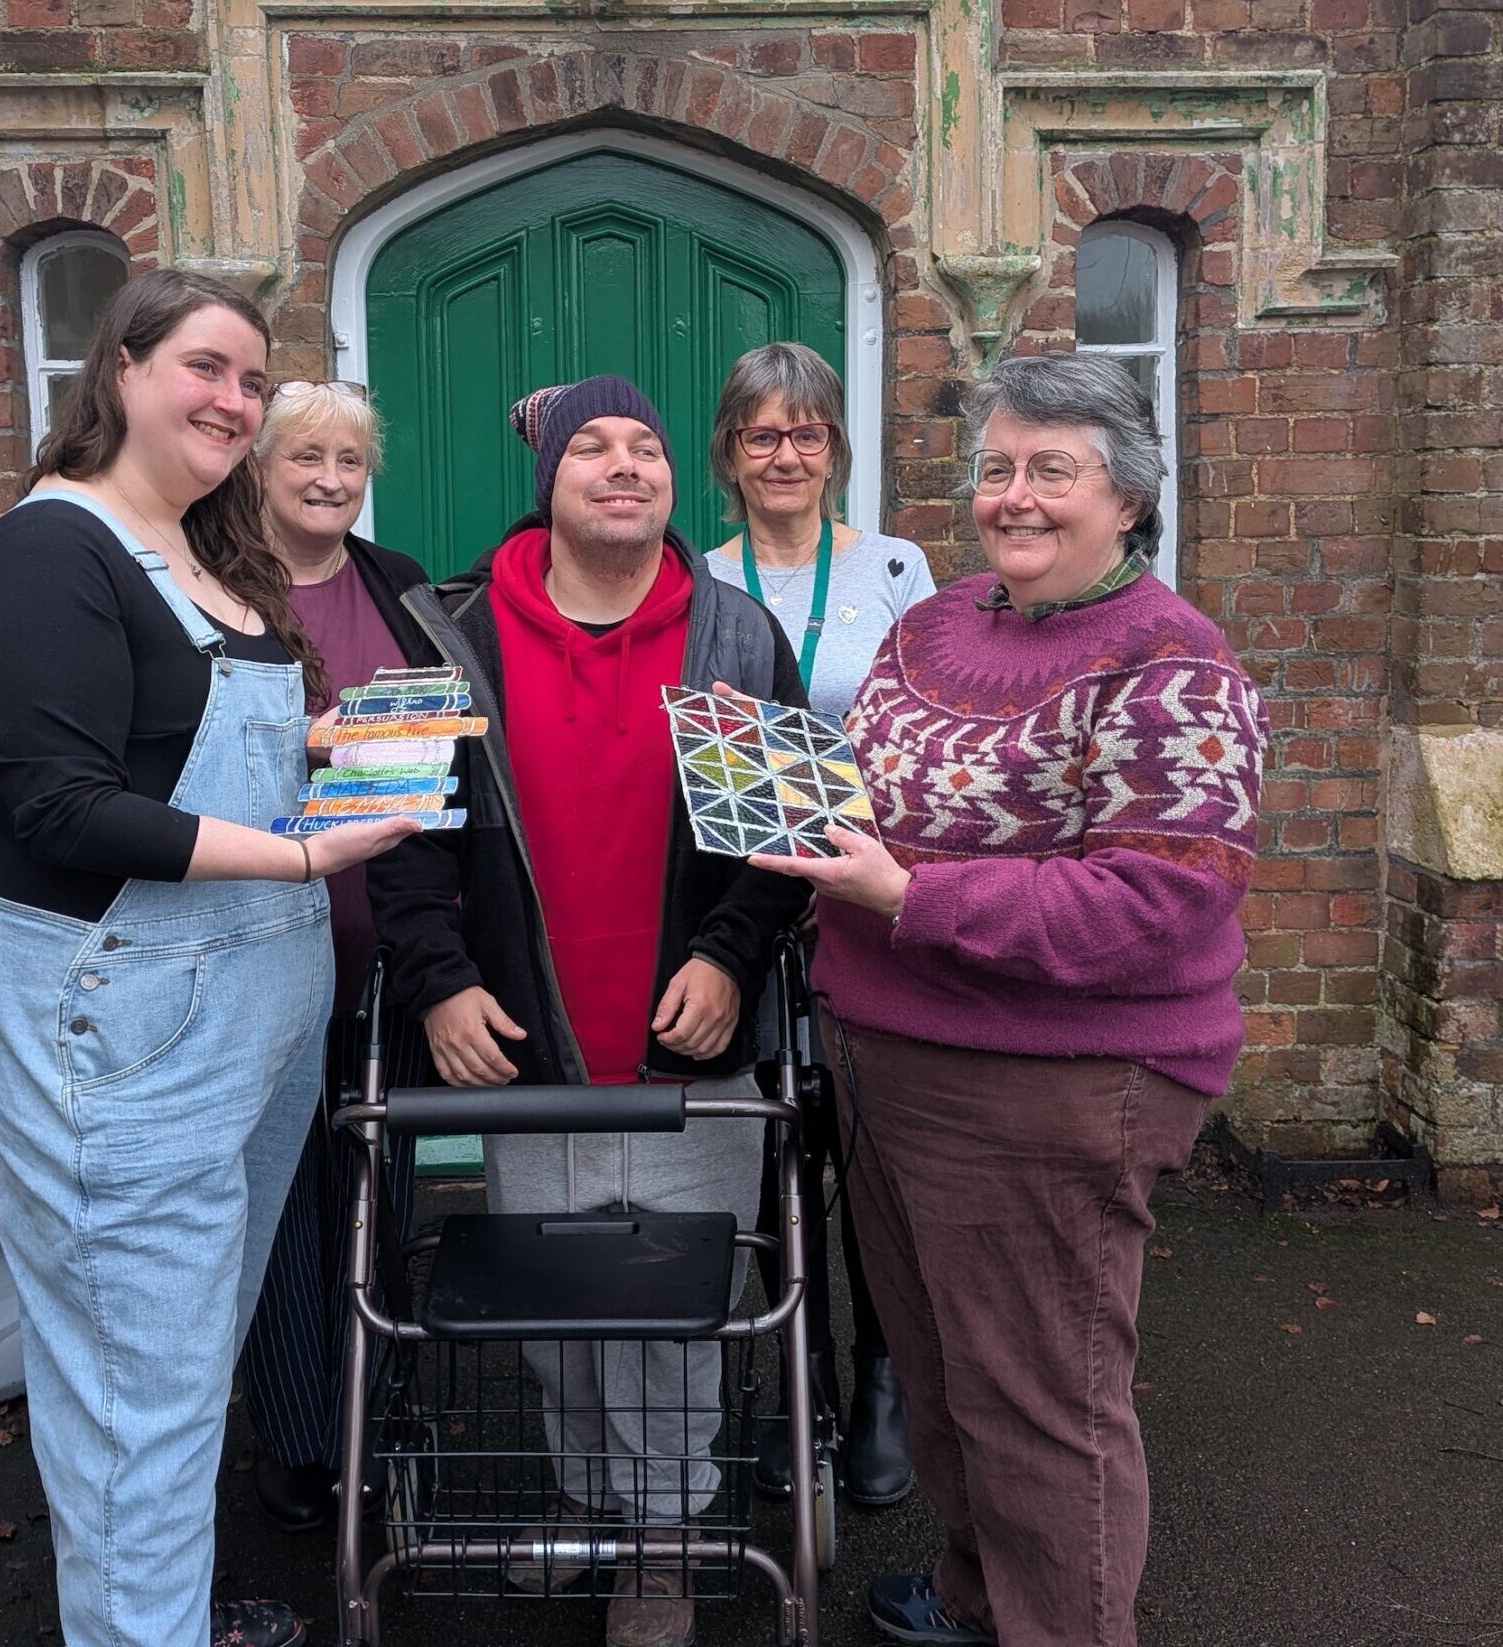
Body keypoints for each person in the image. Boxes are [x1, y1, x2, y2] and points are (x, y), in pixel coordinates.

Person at [751, 353, 1265, 1647]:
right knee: (938, 1376)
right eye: (997, 467)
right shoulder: (937, 619)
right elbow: (865, 785)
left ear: (1128, 498)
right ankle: (980, 1590)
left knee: (1043, 1407)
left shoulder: (1175, 664)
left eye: (1053, 469)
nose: (1015, 496)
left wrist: (907, 893)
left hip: (1050, 1082)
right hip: (886, 1054)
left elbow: (1159, 900)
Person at [0, 269, 417, 1647]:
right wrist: (306, 854)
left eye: (253, 380)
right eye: (206, 366)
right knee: (131, 1391)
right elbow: (59, 801)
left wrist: (340, 750)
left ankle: (161, 1611)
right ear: (125, 367)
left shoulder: (208, 547)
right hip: (132, 1025)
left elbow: (197, 741)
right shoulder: (53, 551)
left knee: (176, 1360)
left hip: (252, 1016)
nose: (233, 399)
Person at [367, 375, 810, 1647]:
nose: (625, 467)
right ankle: (582, 1511)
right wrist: (440, 979)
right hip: (525, 1053)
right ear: (550, 481)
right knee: (560, 1323)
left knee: (672, 1323)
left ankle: (664, 1543)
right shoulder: (441, 634)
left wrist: (731, 953)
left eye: (646, 448)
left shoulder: (733, 635)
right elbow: (396, 842)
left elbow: (780, 843)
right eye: (594, 449)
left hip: (688, 1054)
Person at [702, 340, 933, 1509]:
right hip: (744, 899)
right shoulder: (696, 578)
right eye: (761, 435)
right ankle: (796, 1383)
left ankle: (884, 1382)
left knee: (873, 1151)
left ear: (835, 448)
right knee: (769, 1155)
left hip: (864, 897)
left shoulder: (896, 566)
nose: (784, 453)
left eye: (806, 433)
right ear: (730, 458)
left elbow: (934, 729)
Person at [235, 379, 440, 1534]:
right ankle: (305, 1442)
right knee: (278, 1197)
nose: (329, 479)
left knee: (381, 1184)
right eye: (305, 456)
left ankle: (383, 1400)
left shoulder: (399, 583)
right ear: (259, 467)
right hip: (261, 937)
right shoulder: (220, 591)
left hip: (389, 939)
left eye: (349, 461)